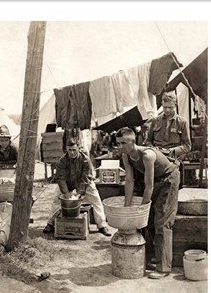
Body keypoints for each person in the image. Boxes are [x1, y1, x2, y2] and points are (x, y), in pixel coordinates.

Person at [116, 127, 180, 279]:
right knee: (148, 221)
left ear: (133, 142)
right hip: (155, 182)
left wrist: (142, 208)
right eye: (118, 143)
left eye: (123, 143)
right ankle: (153, 258)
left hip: (168, 179)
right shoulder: (126, 156)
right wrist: (127, 207)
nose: (120, 147)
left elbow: (149, 185)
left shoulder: (147, 155)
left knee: (162, 222)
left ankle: (163, 268)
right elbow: (129, 181)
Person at [43, 138, 112, 237]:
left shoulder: (85, 160)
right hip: (68, 183)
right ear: (66, 149)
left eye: (74, 150)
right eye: (70, 150)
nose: (72, 153)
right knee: (57, 200)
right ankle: (50, 223)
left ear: (79, 149)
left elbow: (86, 178)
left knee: (96, 200)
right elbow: (60, 179)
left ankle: (102, 226)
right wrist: (66, 194)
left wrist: (79, 193)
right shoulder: (62, 161)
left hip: (84, 182)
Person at [145, 92, 191, 160]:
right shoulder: (155, 121)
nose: (167, 110)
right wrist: (153, 149)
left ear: (175, 105)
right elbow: (148, 141)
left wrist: (172, 150)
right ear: (162, 105)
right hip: (157, 156)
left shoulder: (182, 122)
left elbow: (187, 146)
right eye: (165, 107)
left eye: (170, 107)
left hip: (173, 157)